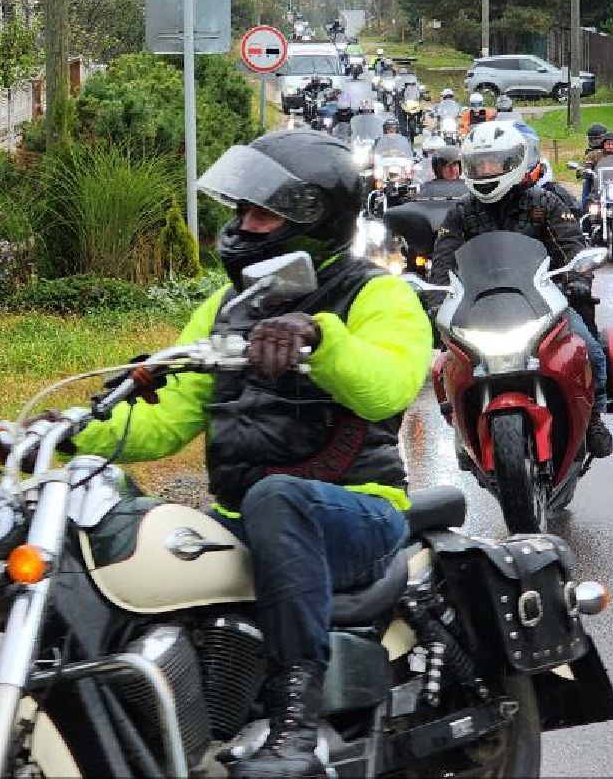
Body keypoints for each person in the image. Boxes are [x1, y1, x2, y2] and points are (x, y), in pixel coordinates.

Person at [71, 129, 431, 779]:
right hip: (245, 519)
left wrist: (320, 339)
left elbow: (386, 389)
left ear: (310, 218)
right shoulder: (225, 307)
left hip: (358, 513)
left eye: (259, 213)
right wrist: (68, 432)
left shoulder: (376, 294)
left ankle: (295, 723)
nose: (241, 226)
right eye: (239, 211)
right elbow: (165, 418)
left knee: (276, 497)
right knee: (100, 498)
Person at [429, 120, 613, 457]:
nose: (486, 171)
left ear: (514, 162)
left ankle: (594, 418)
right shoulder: (461, 214)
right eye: (479, 165)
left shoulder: (545, 202)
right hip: (480, 309)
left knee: (590, 349)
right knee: (448, 363)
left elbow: (571, 246)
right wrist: (433, 298)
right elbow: (442, 260)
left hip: (541, 303)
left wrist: (576, 278)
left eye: (494, 163)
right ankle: (461, 422)